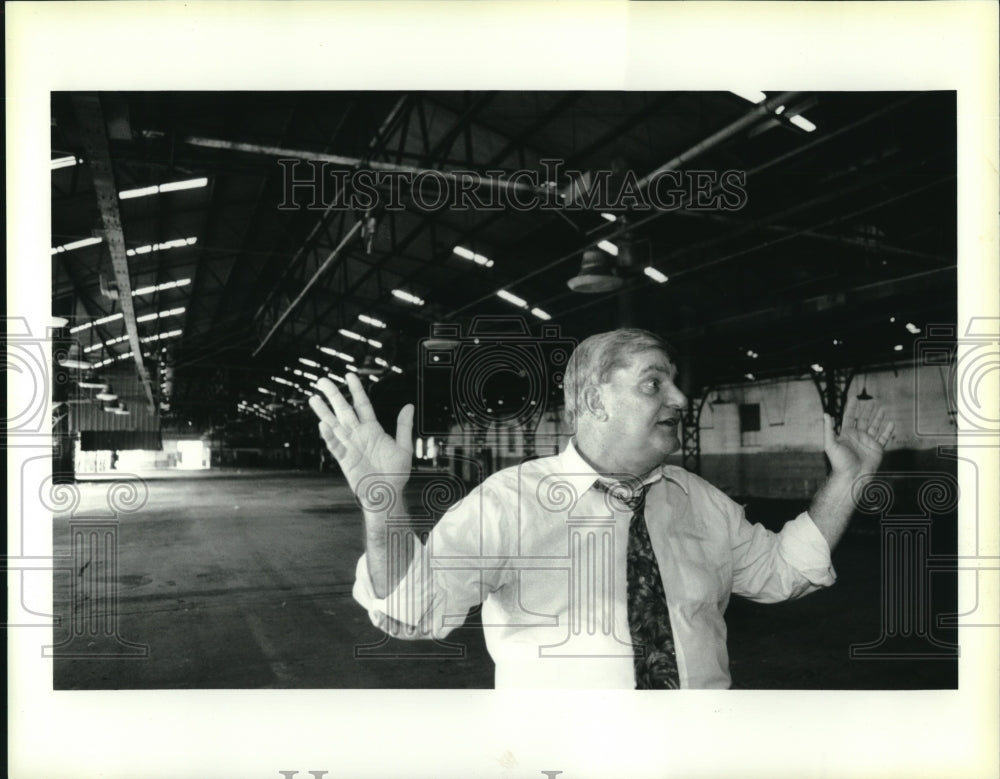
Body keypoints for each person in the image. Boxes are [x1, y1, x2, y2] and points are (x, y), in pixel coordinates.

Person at [309, 328, 894, 689]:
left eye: (675, 382)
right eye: (653, 384)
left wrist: (848, 481)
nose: (681, 399)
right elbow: (410, 614)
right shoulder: (510, 503)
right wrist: (382, 504)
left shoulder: (700, 501)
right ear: (593, 399)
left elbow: (782, 572)